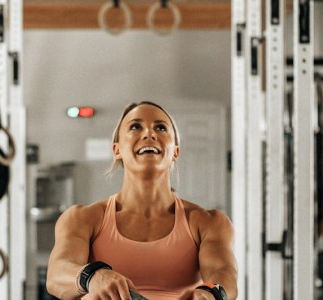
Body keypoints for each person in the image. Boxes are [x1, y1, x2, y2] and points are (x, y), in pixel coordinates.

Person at [47, 101, 238, 300]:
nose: (149, 134)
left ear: (175, 152)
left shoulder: (208, 222)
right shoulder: (82, 218)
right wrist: (93, 276)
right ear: (117, 149)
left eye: (160, 127)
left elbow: (224, 274)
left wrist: (208, 293)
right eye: (135, 126)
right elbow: (57, 276)